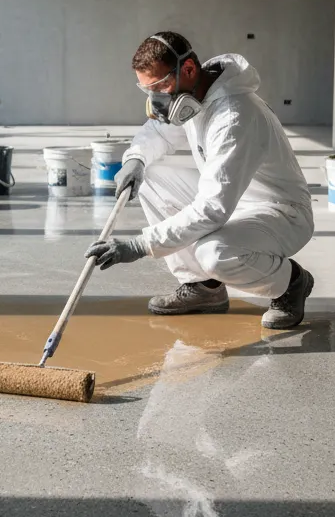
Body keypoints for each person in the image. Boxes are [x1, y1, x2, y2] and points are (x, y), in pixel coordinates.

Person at [86, 31, 315, 329]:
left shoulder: (234, 116)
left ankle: (290, 283)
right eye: (148, 90)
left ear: (189, 70)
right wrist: (135, 159)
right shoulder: (196, 94)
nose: (156, 99)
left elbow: (212, 209)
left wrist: (140, 245)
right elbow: (158, 132)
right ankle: (203, 287)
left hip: (279, 213)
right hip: (233, 200)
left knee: (215, 253)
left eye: (160, 86)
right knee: (150, 175)